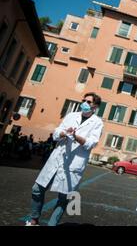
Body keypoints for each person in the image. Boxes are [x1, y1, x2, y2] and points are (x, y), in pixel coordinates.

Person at [26, 93, 104, 226]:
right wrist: (64, 133)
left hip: (73, 164)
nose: (85, 103)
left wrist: (76, 136)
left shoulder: (97, 122)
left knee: (63, 198)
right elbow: (57, 133)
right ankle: (34, 219)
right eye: (84, 100)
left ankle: (52, 224)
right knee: (37, 189)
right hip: (57, 158)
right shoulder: (71, 115)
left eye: (89, 102)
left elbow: (92, 143)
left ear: (95, 106)